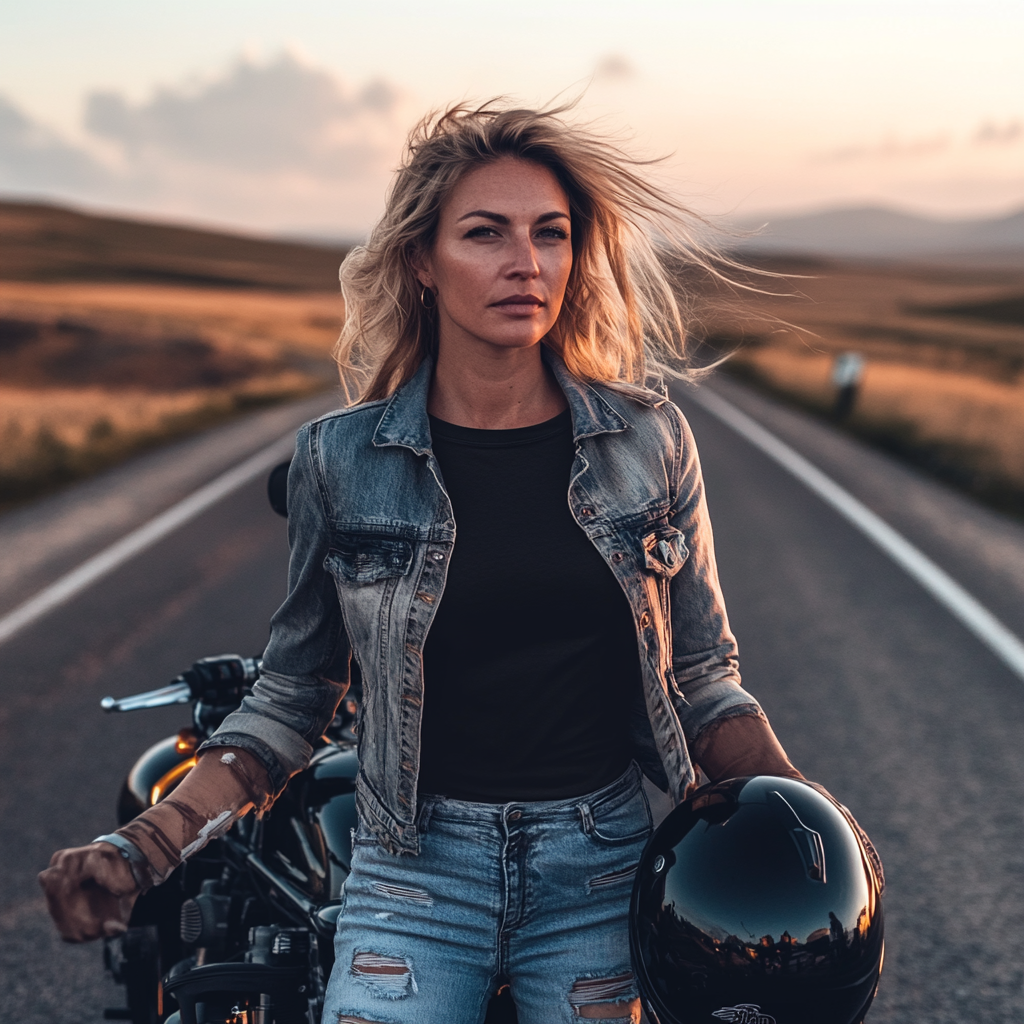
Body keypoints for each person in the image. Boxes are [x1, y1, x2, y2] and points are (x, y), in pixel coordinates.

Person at [40, 102, 819, 1024]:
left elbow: (702, 678)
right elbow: (294, 699)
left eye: (551, 235)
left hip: (598, 870)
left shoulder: (649, 443)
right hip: (414, 882)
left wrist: (809, 827)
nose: (524, 262)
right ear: (421, 260)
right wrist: (145, 846)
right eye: (485, 234)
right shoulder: (341, 460)